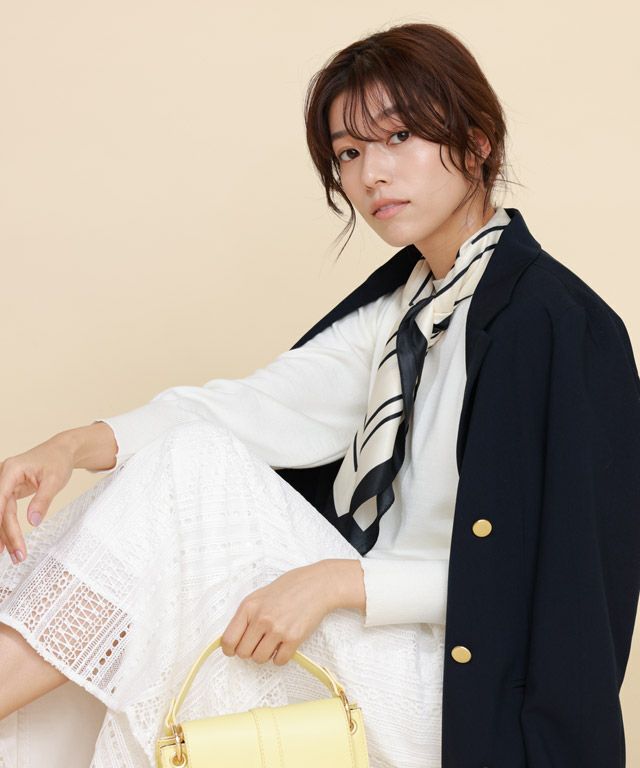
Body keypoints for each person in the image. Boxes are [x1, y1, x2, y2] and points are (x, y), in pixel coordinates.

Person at [1, 21, 639, 768]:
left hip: (462, 694)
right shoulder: (403, 310)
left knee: (186, 482)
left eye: (398, 137)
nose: (371, 175)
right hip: (369, 646)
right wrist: (73, 445)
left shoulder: (558, 325)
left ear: (476, 143)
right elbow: (248, 409)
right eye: (349, 153)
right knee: (147, 590)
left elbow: (550, 580)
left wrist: (342, 582)